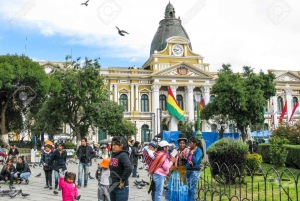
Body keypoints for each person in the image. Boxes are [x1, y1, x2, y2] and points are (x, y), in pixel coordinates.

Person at [165, 133, 190, 201]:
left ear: (185, 144)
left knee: (182, 187)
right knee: (175, 186)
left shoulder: (187, 150)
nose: (182, 144)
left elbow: (188, 160)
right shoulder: (175, 150)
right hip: (175, 172)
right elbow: (171, 159)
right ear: (178, 143)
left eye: (183, 143)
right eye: (180, 143)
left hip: (183, 172)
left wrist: (181, 156)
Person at [109, 136, 132, 201]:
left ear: (121, 145)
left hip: (120, 188)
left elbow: (129, 168)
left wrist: (123, 180)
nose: (113, 147)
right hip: (112, 185)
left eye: (115, 145)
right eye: (112, 145)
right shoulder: (114, 154)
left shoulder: (123, 155)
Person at [186, 136, 203, 201]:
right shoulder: (191, 150)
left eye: (190, 142)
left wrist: (192, 154)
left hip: (194, 172)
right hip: (188, 171)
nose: (189, 144)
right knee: (188, 189)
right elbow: (188, 160)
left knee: (192, 189)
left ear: (195, 143)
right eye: (189, 143)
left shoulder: (199, 151)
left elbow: (195, 161)